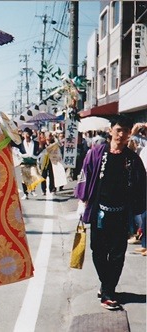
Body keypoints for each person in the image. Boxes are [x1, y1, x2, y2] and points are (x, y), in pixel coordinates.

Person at [75, 115, 146, 310]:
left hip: (121, 214)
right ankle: (106, 284)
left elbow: (141, 186)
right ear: (110, 131)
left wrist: (139, 214)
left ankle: (107, 292)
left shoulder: (132, 159)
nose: (121, 135)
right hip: (99, 211)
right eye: (118, 130)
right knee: (97, 252)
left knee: (117, 255)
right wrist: (82, 201)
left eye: (126, 130)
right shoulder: (97, 153)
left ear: (130, 133)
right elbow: (85, 174)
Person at [15, 127, 43, 200]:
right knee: (24, 179)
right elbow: (14, 146)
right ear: (23, 135)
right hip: (24, 163)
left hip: (33, 162)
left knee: (35, 176)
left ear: (30, 135)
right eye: (25, 134)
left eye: (27, 134)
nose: (26, 136)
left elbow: (39, 151)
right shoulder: (20, 143)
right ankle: (25, 194)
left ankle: (33, 190)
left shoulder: (36, 143)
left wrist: (40, 151)